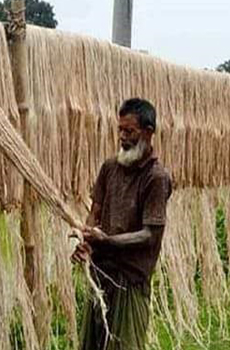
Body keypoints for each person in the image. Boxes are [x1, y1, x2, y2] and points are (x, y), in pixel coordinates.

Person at [72, 98, 172, 350]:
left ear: (148, 132)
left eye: (129, 131)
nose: (122, 137)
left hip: (129, 283)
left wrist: (107, 241)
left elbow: (150, 235)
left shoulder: (155, 178)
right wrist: (86, 242)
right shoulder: (109, 168)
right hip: (101, 275)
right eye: (120, 130)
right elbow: (94, 212)